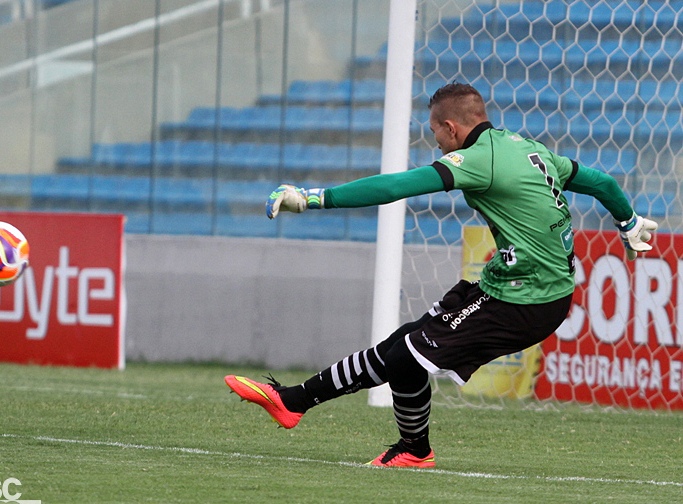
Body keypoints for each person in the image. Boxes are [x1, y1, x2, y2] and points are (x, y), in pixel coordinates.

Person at [224, 82, 658, 468]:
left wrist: (313, 199)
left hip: (527, 301)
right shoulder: (529, 149)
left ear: (450, 127)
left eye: (435, 133)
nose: (436, 144)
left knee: (407, 358)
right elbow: (601, 181)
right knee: (402, 342)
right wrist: (629, 222)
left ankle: (414, 448)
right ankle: (292, 400)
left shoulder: (477, 159)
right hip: (509, 286)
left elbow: (395, 187)